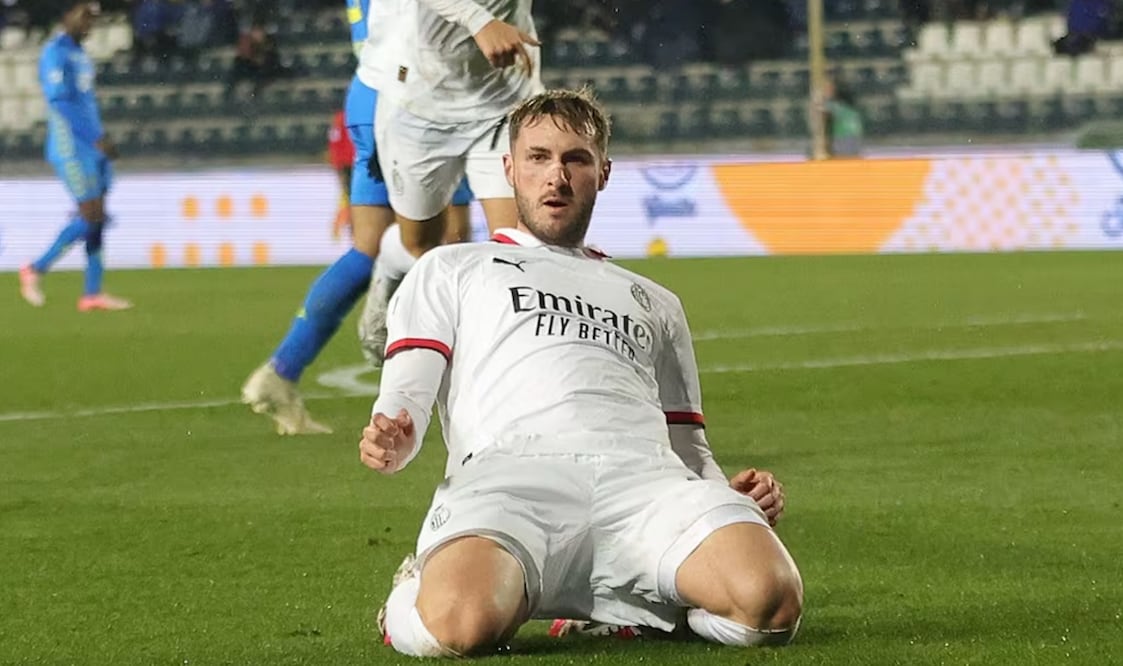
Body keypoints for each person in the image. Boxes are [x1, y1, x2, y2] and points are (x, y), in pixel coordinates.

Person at [358, 88, 804, 657]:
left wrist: (723, 494)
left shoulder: (654, 300)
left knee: (771, 605)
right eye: (538, 157)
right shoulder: (453, 267)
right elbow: (407, 392)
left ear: (603, 173)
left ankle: (636, 611)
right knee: (460, 628)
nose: (556, 176)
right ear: (509, 170)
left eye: (575, 159)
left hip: (645, 488)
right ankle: (411, 594)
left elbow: (687, 443)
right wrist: (394, 434)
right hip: (514, 483)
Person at [240, 0, 472, 435]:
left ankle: (282, 369)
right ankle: (469, 397)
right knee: (452, 243)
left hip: (369, 95)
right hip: (420, 94)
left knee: (368, 247)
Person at [355, 0, 543, 367]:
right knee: (421, 244)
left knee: (520, 252)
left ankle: (506, 381)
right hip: (422, 102)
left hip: (506, 101)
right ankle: (390, 270)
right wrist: (479, 20)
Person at [19, 0, 132, 312]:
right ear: (66, 14)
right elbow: (61, 103)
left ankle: (92, 293)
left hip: (93, 147)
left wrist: (100, 138)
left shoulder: (81, 54)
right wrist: (96, 137)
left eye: (93, 19)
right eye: (85, 16)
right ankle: (34, 269)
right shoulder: (54, 52)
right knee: (93, 217)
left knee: (96, 221)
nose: (89, 24)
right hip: (72, 147)